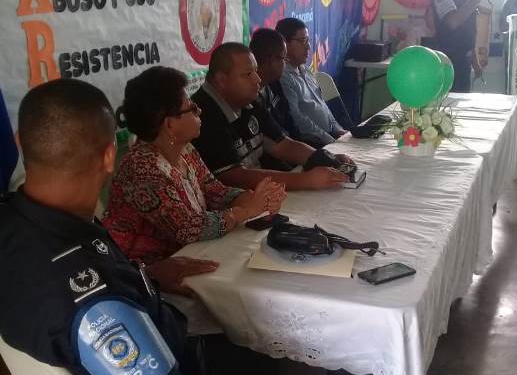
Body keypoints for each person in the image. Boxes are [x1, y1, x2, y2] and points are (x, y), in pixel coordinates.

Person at [0, 79, 366, 375]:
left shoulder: (18, 222)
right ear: (109, 156)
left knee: (274, 350)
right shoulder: (91, 300)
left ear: (22, 143)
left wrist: (148, 274)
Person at [103, 66, 286, 271]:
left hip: (188, 256)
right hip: (143, 273)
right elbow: (188, 228)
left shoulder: (186, 150)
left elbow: (213, 190)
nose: (199, 111)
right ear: (170, 125)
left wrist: (252, 198)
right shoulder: (141, 169)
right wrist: (244, 212)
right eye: (191, 108)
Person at [192, 43, 349, 191]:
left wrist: (324, 159)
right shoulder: (201, 115)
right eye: (248, 74)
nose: (257, 79)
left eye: (255, 71)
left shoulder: (247, 100)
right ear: (221, 80)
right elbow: (233, 177)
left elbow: (282, 145)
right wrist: (306, 180)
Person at [276, 17, 353, 146]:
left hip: (330, 137)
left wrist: (338, 130)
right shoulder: (283, 78)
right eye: (302, 41)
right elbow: (298, 120)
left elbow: (322, 106)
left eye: (308, 40)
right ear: (285, 44)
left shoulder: (306, 70)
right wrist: (331, 141)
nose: (308, 46)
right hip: (312, 143)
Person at [431, 0, 490, 93]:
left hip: (465, 60)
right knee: (449, 101)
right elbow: (453, 22)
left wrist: (475, 61)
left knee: (463, 101)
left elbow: (469, 30)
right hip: (448, 60)